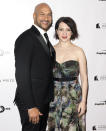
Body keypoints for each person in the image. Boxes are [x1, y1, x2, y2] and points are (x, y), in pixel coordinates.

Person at [14, 3, 55, 131]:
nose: (46, 18)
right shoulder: (27, 38)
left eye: (49, 14)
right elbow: (22, 74)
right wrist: (31, 106)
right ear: (34, 16)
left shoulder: (43, 37)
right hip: (32, 102)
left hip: (42, 100)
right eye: (42, 14)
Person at [47, 17, 88, 131]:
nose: (64, 33)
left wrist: (83, 102)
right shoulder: (49, 50)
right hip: (53, 97)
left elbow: (84, 79)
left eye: (68, 29)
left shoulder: (78, 51)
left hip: (73, 97)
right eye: (61, 29)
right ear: (56, 31)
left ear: (72, 31)